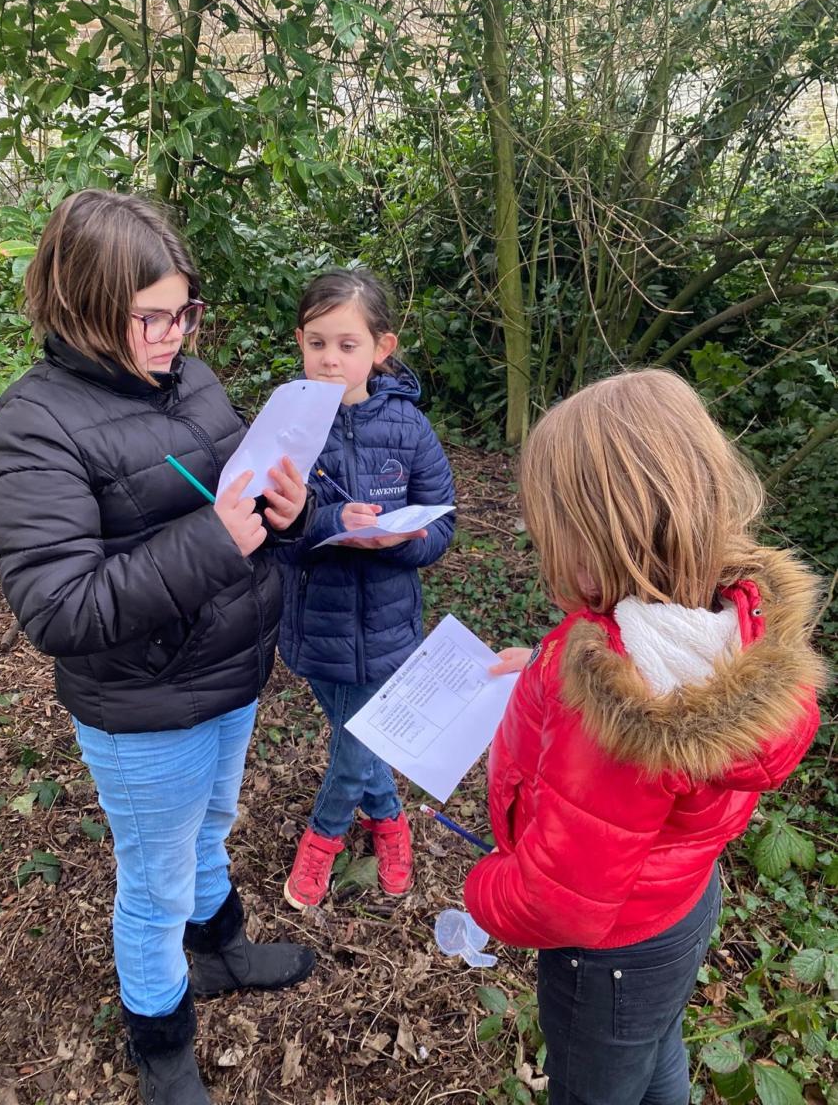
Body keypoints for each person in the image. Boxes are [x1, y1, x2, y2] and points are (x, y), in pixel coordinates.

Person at [0, 190, 318, 1105]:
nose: (175, 335)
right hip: (144, 705)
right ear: (85, 307)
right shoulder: (32, 429)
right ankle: (160, 1042)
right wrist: (213, 541)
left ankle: (221, 951)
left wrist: (292, 510)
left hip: (232, 671)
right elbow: (58, 609)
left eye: (184, 312)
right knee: (155, 882)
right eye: (152, 318)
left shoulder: (191, 381)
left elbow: (244, 493)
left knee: (212, 827)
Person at [464, 369, 825, 1105]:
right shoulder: (727, 622)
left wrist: (484, 888)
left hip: (606, 959)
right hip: (680, 906)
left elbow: (560, 901)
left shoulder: (617, 714)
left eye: (551, 532)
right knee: (656, 1048)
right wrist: (543, 665)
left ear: (598, 542)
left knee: (595, 1089)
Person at [276, 268, 455, 909]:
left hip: (388, 625)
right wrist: (329, 523)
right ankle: (388, 816)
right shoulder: (288, 426)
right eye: (317, 343)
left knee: (356, 740)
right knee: (363, 735)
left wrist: (400, 542)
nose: (330, 358)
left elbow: (442, 523)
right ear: (300, 342)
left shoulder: (410, 429)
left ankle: (324, 837)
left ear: (382, 348)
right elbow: (272, 529)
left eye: (347, 344)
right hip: (316, 624)